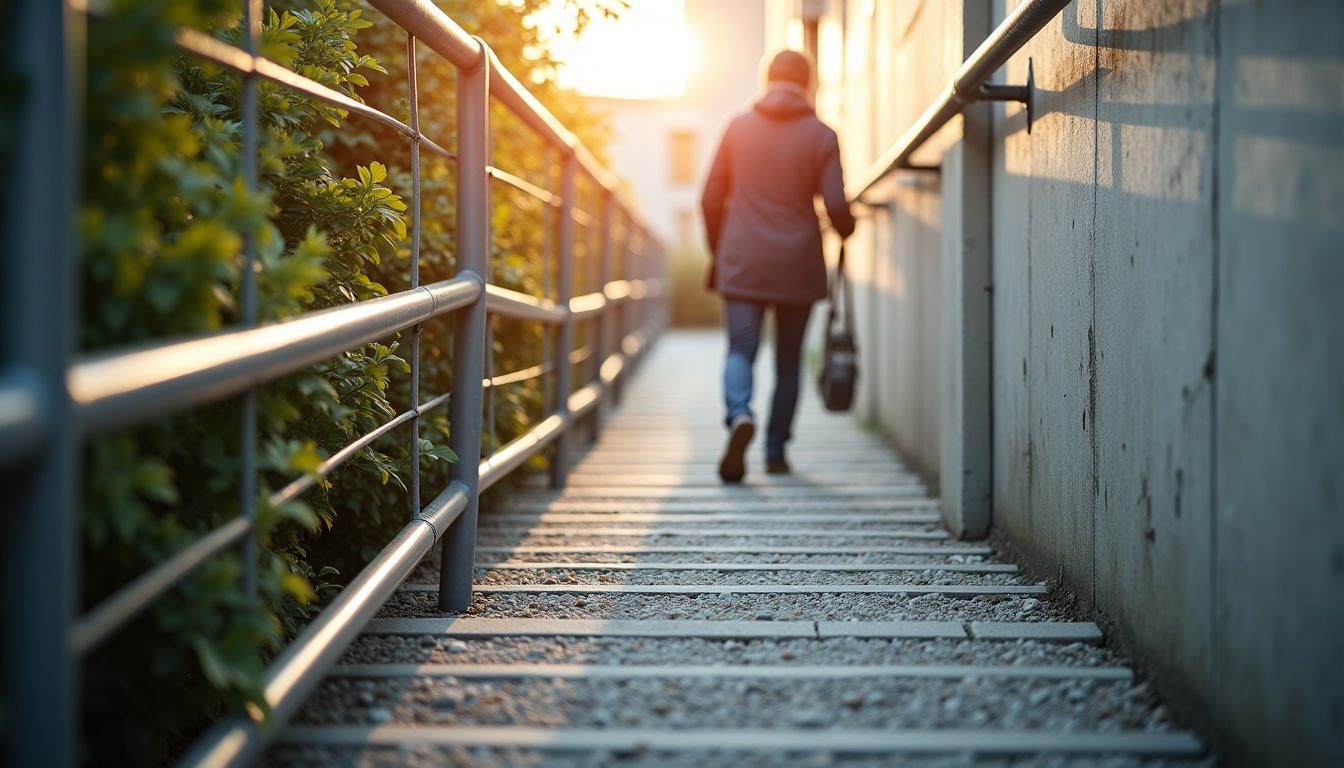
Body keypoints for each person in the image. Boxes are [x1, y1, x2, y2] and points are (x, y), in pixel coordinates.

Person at [701, 49, 855, 483]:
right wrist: (847, 228)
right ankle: (774, 451)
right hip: (796, 262)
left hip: (742, 258)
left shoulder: (737, 127)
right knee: (789, 361)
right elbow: (836, 202)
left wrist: (721, 248)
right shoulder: (823, 134)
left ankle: (739, 414)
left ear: (766, 80)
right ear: (809, 84)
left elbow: (709, 197)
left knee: (741, 349)